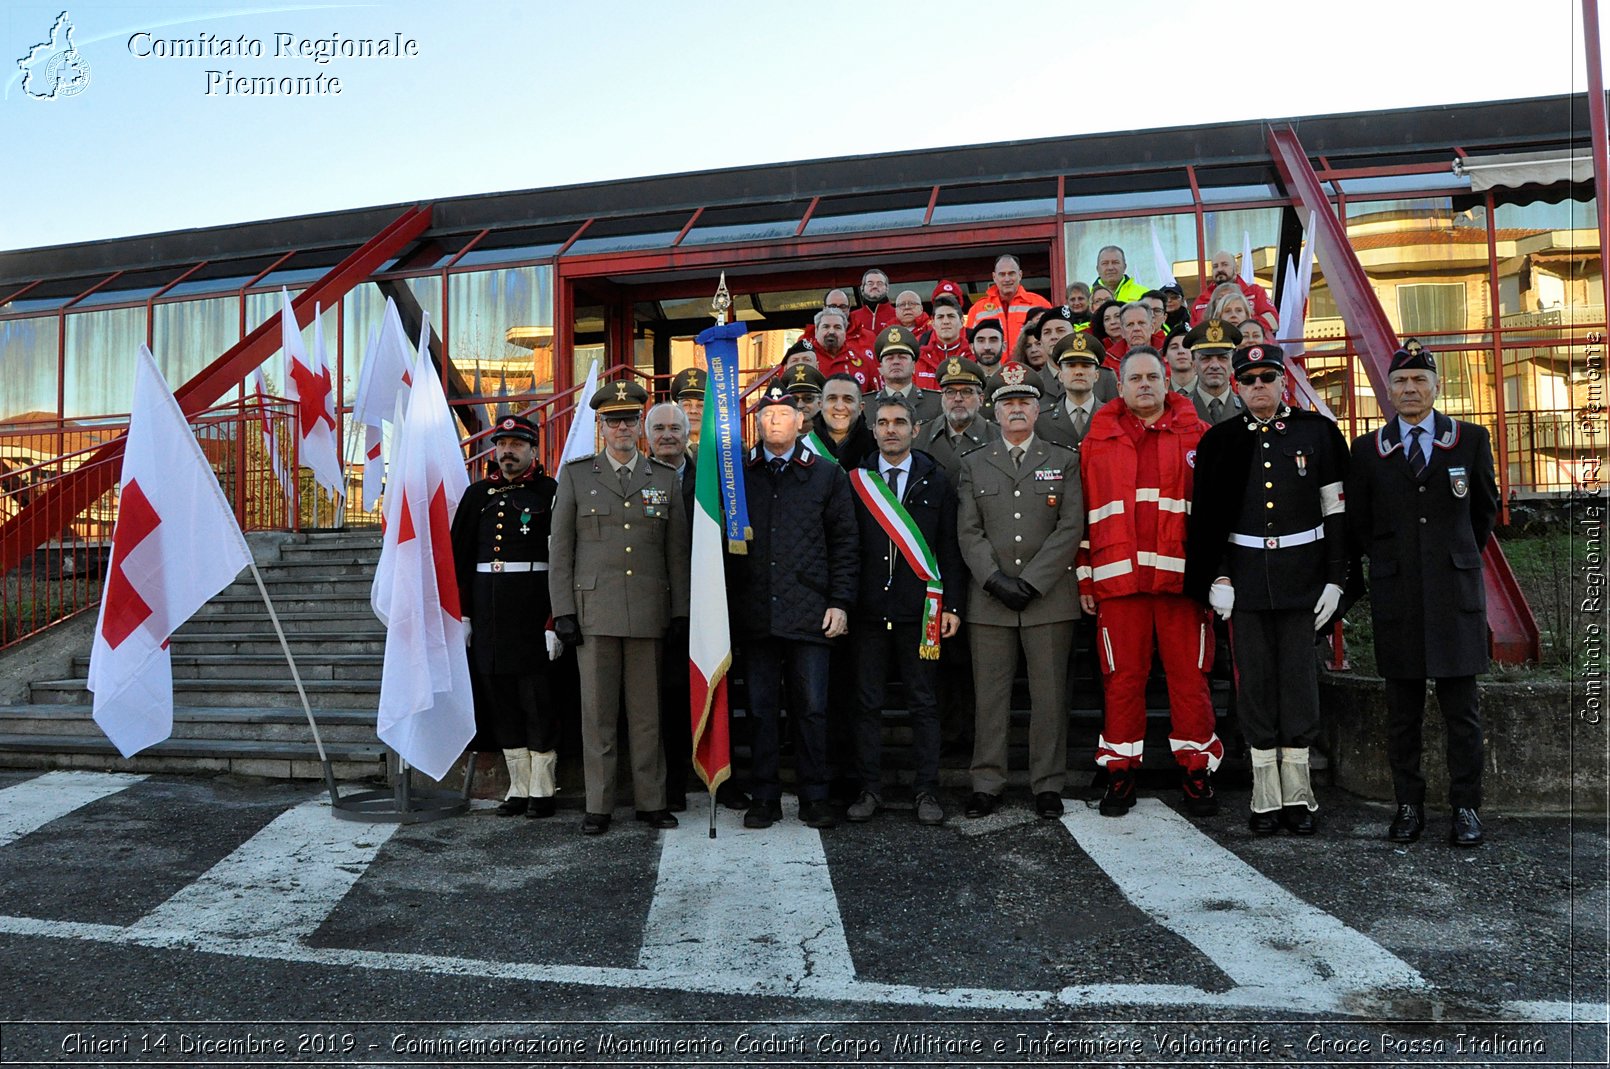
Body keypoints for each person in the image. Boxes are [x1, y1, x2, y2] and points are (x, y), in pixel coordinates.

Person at [1185, 345, 1351, 836]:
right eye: (1250, 379)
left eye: (1267, 377)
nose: (1259, 386)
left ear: (1283, 382)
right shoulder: (1220, 441)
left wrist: (1337, 579)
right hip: (1247, 577)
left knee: (1299, 680)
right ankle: (1265, 792)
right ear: (1236, 386)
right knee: (1254, 681)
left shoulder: (1316, 433)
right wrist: (1217, 575)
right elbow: (1208, 519)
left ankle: (1298, 792)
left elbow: (1337, 513)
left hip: (1304, 576)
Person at [1346, 340, 1498, 848]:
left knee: (1463, 713)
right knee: (1402, 713)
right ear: (1387, 390)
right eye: (1401, 382)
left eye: (1419, 381)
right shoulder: (1368, 450)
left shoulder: (1471, 440)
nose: (1410, 390)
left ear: (1436, 387)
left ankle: (1466, 808)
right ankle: (1408, 805)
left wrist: (1450, 556)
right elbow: (1361, 523)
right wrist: (1395, 562)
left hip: (1455, 594)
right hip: (1400, 595)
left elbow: (1483, 513)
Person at [1077, 347, 1222, 818]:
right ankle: (1120, 773)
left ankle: (1197, 774)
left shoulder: (1199, 437)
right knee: (1121, 682)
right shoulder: (1096, 442)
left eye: (1152, 377)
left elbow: (1214, 518)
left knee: (1189, 681)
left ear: (1167, 383)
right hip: (1119, 586)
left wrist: (1216, 577)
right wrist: (1085, 578)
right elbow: (1083, 516)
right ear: (1118, 386)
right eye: (1134, 377)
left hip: (1182, 585)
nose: (1144, 384)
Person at [549, 380, 690, 835]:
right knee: (598, 715)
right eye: (614, 421)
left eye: (630, 420)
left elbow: (677, 553)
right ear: (601, 427)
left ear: (639, 427)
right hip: (594, 614)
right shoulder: (575, 475)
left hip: (649, 612)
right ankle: (599, 804)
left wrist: (680, 611)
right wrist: (563, 611)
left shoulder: (664, 479)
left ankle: (651, 802)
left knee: (648, 717)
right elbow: (561, 551)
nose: (623, 428)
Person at [956, 362, 1085, 820]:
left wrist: (1031, 582)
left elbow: (1071, 527)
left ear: (1037, 408)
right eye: (1007, 402)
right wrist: (993, 579)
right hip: (989, 600)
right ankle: (987, 781)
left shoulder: (1064, 459)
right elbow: (968, 531)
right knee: (990, 696)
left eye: (1024, 402)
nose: (1016, 409)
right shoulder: (974, 463)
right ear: (995, 411)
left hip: (1048, 598)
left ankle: (1046, 783)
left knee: (1049, 697)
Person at [731, 386, 859, 830]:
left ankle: (815, 796)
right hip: (756, 612)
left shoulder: (827, 475)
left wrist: (841, 602)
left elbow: (845, 544)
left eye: (784, 414)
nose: (775, 422)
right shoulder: (737, 476)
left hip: (811, 611)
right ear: (758, 423)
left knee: (813, 709)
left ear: (802, 422)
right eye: (767, 416)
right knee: (762, 710)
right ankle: (764, 796)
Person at [846, 393, 964, 826]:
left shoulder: (935, 479)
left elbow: (949, 546)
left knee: (923, 704)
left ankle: (926, 790)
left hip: (921, 614)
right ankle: (869, 789)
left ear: (916, 430)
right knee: (866, 704)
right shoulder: (855, 481)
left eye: (899, 422)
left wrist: (951, 604)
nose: (890, 429)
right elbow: (846, 545)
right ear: (872, 429)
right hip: (868, 613)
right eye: (882, 422)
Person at [451, 415, 562, 820]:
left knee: (537, 700)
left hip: (531, 613)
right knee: (500, 702)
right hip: (488, 614)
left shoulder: (550, 492)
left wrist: (554, 620)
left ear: (533, 448)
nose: (507, 451)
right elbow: (459, 558)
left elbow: (562, 562)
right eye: (502, 444)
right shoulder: (478, 494)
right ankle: (517, 787)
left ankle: (543, 789)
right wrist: (463, 613)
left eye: (517, 443)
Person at [918, 356, 998, 477]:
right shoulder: (920, 436)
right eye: (950, 392)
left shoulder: (998, 437)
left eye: (966, 391)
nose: (958, 399)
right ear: (941, 398)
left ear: (981, 399)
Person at [1036, 333, 1111, 449]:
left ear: (1097, 375)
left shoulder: (1112, 417)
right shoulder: (1041, 420)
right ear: (1060, 375)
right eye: (1071, 366)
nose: (1078, 372)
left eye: (1086, 366)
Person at [966, 253, 1052, 352]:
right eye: (1002, 274)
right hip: (993, 366)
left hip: (1029, 366)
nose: (1007, 279)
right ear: (994, 277)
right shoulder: (977, 309)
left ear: (1020, 275)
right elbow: (969, 346)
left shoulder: (1040, 303)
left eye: (1011, 273)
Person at [863, 326, 941, 428]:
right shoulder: (865, 405)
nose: (896, 362)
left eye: (902, 357)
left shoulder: (936, 403)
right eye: (889, 358)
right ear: (880, 367)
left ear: (914, 365)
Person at [1189, 250, 1279, 333]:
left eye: (1225, 264)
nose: (1219, 269)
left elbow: (1273, 322)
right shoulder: (1201, 300)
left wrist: (1242, 323)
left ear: (1236, 269)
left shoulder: (1254, 291)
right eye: (1215, 266)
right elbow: (1194, 331)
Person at [1182, 318, 1245, 426]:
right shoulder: (1180, 409)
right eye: (1206, 358)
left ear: (1233, 363)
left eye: (1223, 358)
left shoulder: (1248, 408)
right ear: (1193, 365)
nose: (1215, 366)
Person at [812, 371, 876, 469]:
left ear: (860, 407)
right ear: (820, 405)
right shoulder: (801, 447)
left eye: (848, 399)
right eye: (832, 398)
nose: (840, 407)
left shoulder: (876, 447)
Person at [811, 305, 880, 394]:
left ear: (845, 332)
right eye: (826, 327)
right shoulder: (804, 359)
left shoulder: (865, 362)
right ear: (816, 332)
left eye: (837, 327)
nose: (831, 331)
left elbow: (875, 398)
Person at [850, 268, 899, 338]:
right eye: (870, 283)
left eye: (879, 283)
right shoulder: (852, 317)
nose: (875, 286)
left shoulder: (898, 315)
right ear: (862, 288)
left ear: (887, 288)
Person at [671, 366, 706, 444]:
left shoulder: (725, 450)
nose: (693, 411)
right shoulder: (666, 449)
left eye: (700, 405)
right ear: (677, 410)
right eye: (687, 405)